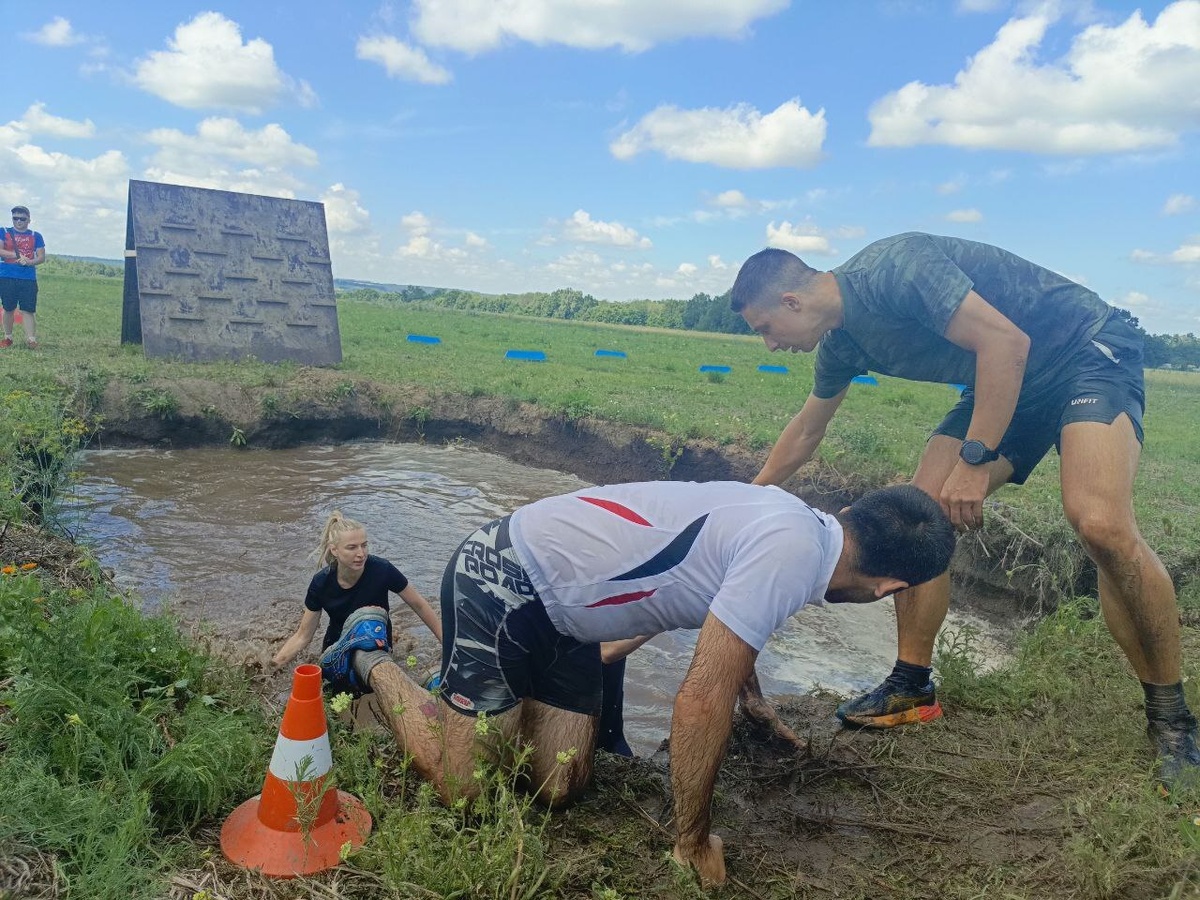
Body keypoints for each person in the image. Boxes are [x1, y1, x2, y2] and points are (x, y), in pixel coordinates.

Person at [729, 232, 1200, 788]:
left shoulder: (895, 268)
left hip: (1081, 352)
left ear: (792, 302)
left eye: (764, 329)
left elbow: (1006, 343)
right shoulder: (842, 346)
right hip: (1005, 384)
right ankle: (912, 686)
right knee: (914, 517)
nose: (769, 345)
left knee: (1099, 523)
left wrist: (974, 462)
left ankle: (1171, 718)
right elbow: (809, 428)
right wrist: (749, 496)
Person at [318, 480, 955, 886]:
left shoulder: (807, 530)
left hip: (568, 619)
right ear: (888, 591)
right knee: (465, 793)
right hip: (503, 576)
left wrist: (752, 697)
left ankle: (473, 698)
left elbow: (735, 626)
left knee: (558, 785)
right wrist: (693, 840)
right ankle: (371, 661)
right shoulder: (791, 556)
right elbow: (700, 701)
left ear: (850, 515)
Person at [271, 511, 442, 691]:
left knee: (371, 632)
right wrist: (272, 667)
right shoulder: (321, 583)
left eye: (364, 545)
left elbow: (419, 605)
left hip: (377, 642)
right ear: (334, 549)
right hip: (336, 651)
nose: (361, 553)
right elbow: (303, 636)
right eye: (352, 547)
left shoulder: (382, 570)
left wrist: (447, 644)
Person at [0, 206, 46, 349]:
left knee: (28, 310)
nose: (18, 221)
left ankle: (31, 340)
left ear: (29, 220)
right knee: (8, 308)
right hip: (7, 276)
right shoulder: (4, 232)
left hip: (28, 278)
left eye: (22, 218)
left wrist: (30, 262)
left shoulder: (36, 235)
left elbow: (41, 257)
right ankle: (8, 338)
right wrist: (18, 256)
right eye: (15, 218)